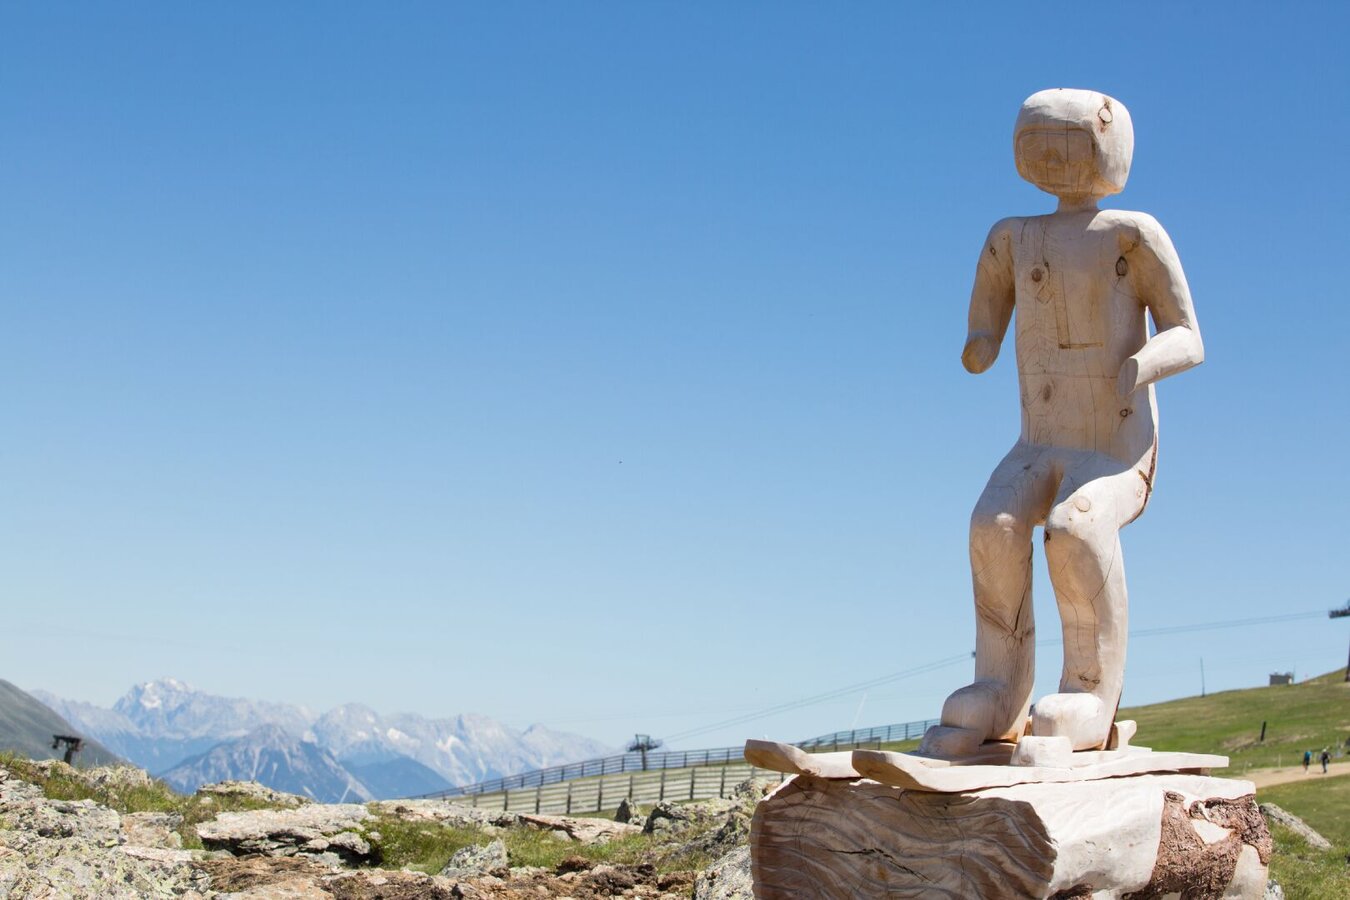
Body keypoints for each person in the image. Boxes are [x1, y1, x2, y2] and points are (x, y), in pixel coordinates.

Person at [922, 89, 1204, 758]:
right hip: (1039, 440)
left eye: (1068, 146)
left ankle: (1089, 693)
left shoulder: (1133, 234)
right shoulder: (1013, 236)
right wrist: (981, 339)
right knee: (991, 525)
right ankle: (999, 688)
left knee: (1075, 529)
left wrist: (1143, 363)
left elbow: (1188, 334)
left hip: (1116, 447)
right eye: (1038, 146)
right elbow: (989, 302)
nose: (1052, 159)